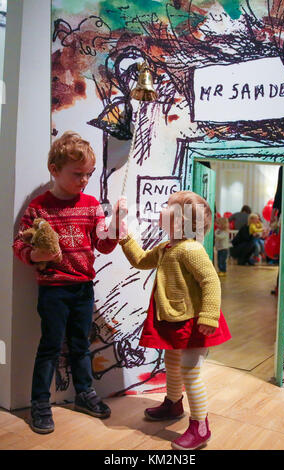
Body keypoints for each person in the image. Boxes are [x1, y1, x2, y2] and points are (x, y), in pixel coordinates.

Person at [13, 131, 124, 434]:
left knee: (80, 345)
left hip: (84, 288)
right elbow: (19, 245)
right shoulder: (39, 207)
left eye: (89, 174)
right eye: (77, 174)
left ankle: (85, 394)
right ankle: (39, 402)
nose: (84, 181)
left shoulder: (90, 204)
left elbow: (102, 244)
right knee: (49, 346)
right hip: (53, 289)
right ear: (54, 169)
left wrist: (114, 229)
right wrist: (35, 254)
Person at [118, 190, 231, 450]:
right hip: (174, 317)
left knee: (191, 371)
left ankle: (200, 425)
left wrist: (209, 315)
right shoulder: (167, 247)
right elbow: (140, 260)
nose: (161, 210)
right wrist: (125, 237)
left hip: (196, 320)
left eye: (168, 207)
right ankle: (173, 402)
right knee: (171, 361)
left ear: (181, 221)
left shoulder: (191, 249)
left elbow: (211, 281)